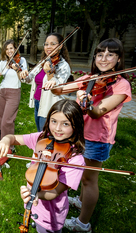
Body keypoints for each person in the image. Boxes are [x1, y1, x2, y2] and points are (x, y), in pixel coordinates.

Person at [63, 38, 132, 232]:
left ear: (118, 59)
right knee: (86, 176)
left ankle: (82, 224)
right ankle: (81, 200)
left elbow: (97, 112)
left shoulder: (121, 85)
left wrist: (86, 102)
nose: (104, 58)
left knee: (88, 180)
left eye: (110, 54)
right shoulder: (91, 78)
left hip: (98, 139)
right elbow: (62, 88)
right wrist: (54, 85)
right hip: (83, 134)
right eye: (100, 54)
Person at [0, 99, 86, 233]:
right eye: (54, 121)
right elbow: (14, 138)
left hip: (50, 214)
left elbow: (55, 192)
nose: (57, 128)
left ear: (76, 126)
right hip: (33, 202)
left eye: (65, 124)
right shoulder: (42, 140)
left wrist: (35, 194)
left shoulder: (75, 159)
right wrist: (5, 139)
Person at [20, 33, 71, 132]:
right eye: (46, 44)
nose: (48, 47)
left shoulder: (63, 66)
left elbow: (57, 88)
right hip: (37, 102)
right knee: (40, 133)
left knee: (46, 136)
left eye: (52, 44)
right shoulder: (42, 63)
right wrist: (23, 73)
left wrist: (49, 73)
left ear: (60, 46)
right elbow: (29, 79)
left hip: (50, 106)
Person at [0, 39, 28, 140]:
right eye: (7, 49)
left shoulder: (21, 61)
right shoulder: (3, 62)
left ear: (15, 48)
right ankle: (1, 142)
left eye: (11, 48)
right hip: (3, 91)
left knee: (7, 121)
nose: (9, 51)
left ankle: (8, 145)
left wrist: (17, 70)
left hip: (14, 92)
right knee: (1, 119)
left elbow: (23, 78)